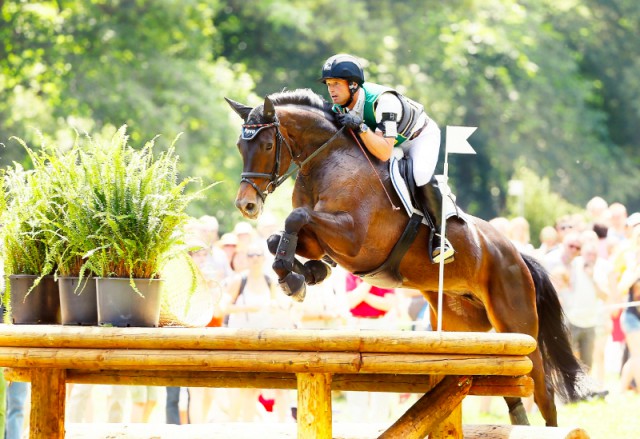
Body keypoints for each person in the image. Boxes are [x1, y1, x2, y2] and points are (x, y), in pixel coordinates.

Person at [319, 54, 453, 264]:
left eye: (336, 83)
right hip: (389, 142)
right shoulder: (339, 108)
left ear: (353, 85)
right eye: (328, 84)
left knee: (418, 174)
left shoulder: (383, 101)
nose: (331, 90)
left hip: (418, 138)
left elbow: (384, 152)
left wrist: (362, 127)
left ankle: (440, 235)